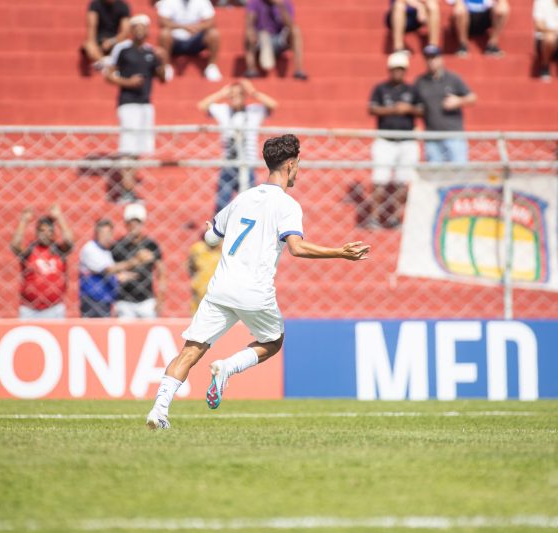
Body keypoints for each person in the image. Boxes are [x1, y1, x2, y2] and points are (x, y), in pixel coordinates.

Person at [145, 134, 370, 429]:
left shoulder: (242, 198)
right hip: (253, 291)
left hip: (220, 288)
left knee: (191, 350)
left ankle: (158, 412)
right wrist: (340, 252)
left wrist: (211, 231)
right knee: (273, 342)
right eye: (298, 164)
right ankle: (227, 367)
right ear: (290, 164)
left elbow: (211, 236)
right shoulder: (287, 205)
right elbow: (297, 248)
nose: (298, 170)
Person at [105, 15, 168, 203]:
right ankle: (126, 190)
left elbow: (162, 77)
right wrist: (128, 82)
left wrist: (163, 61)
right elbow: (109, 75)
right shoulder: (122, 49)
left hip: (145, 104)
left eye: (143, 27)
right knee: (127, 147)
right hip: (128, 103)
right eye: (136, 27)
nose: (140, 30)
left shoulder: (151, 52)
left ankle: (129, 188)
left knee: (137, 149)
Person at [197, 79, 277, 215]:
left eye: (239, 94)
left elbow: (273, 105)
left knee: (251, 204)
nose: (235, 97)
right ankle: (220, 232)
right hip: (228, 163)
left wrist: (253, 92)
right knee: (222, 203)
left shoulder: (253, 111)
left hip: (248, 163)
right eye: (232, 94)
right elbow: (202, 105)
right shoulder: (224, 110)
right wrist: (222, 93)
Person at [367, 52, 423, 229]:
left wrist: (409, 109)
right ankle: (375, 216)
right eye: (395, 69)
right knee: (380, 179)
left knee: (403, 181)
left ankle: (396, 217)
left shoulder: (412, 90)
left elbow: (422, 111)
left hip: (407, 140)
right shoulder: (381, 89)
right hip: (385, 139)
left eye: (401, 69)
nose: (397, 72)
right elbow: (372, 109)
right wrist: (394, 110)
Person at [79, 218, 155, 317]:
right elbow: (108, 269)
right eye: (103, 233)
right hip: (92, 300)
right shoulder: (90, 249)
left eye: (109, 232)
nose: (106, 236)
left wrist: (119, 277)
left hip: (106, 299)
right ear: (96, 234)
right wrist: (136, 261)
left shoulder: (106, 252)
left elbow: (106, 273)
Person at [414, 45, 477, 163]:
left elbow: (472, 98)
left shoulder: (453, 78)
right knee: (435, 175)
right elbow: (416, 106)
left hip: (454, 134)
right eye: (428, 58)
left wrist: (459, 101)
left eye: (434, 57)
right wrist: (416, 124)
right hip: (432, 135)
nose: (431, 61)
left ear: (441, 59)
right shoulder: (420, 82)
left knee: (459, 174)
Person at [10, 205, 74, 319]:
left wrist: (59, 218)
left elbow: (69, 241)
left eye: (49, 231)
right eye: (41, 230)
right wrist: (23, 221)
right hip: (29, 309)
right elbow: (15, 245)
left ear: (53, 234)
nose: (45, 234)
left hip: (54, 308)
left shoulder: (58, 251)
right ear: (37, 232)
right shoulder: (30, 250)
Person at [111, 203, 165, 318]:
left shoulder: (151, 245)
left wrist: (160, 299)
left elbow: (161, 273)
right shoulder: (118, 246)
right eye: (131, 222)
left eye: (137, 222)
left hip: (146, 300)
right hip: (124, 301)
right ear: (126, 224)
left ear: (142, 223)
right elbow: (110, 269)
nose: (134, 226)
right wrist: (120, 274)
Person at [157, 0, 223, 81]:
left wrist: (198, 27)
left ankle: (211, 67)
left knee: (213, 33)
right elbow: (163, 22)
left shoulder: (203, 1)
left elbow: (211, 21)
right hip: (175, 41)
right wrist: (183, 27)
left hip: (195, 40)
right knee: (164, 33)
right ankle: (166, 66)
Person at [244, 0, 307, 80]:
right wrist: (250, 31)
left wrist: (281, 6)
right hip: (261, 38)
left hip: (279, 38)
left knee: (295, 30)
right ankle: (251, 69)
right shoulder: (255, 2)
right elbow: (249, 22)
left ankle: (299, 70)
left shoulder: (285, 3)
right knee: (248, 32)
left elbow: (290, 26)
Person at [82, 0, 132, 70]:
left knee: (128, 44)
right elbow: (92, 27)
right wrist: (93, 43)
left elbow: (125, 31)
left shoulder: (123, 6)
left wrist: (111, 41)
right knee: (89, 46)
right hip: (98, 41)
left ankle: (104, 64)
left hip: (115, 41)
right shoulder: (95, 4)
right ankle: (105, 63)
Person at [188, 227, 222, 313]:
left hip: (218, 290)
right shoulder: (198, 248)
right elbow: (190, 265)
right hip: (200, 288)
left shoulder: (222, 250)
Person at [534, 0, 558, 81]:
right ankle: (545, 66)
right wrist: (553, 31)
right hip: (544, 40)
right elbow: (539, 25)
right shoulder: (542, 2)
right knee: (550, 37)